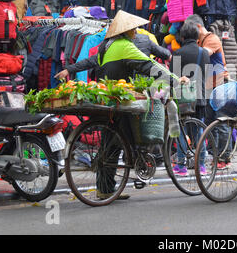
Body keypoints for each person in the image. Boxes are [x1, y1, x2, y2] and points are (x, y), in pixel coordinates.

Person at [54, 11, 188, 200]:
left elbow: (89, 62)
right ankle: (136, 163)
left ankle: (106, 189)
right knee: (125, 138)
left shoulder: (106, 47)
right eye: (133, 29)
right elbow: (149, 65)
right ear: (126, 31)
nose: (136, 31)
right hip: (121, 100)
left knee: (110, 145)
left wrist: (69, 69)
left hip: (106, 99)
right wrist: (175, 80)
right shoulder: (125, 46)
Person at [184, 14, 231, 169]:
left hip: (219, 85)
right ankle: (214, 156)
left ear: (197, 28)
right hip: (208, 87)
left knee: (221, 122)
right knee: (210, 123)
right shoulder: (201, 41)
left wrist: (184, 52)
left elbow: (201, 54)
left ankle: (224, 158)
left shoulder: (212, 39)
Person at [169, 22, 211, 176]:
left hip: (183, 99)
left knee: (181, 129)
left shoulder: (178, 53)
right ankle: (201, 166)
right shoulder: (204, 53)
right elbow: (207, 75)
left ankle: (181, 165)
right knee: (199, 131)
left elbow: (172, 78)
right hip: (200, 97)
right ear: (197, 36)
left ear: (183, 37)